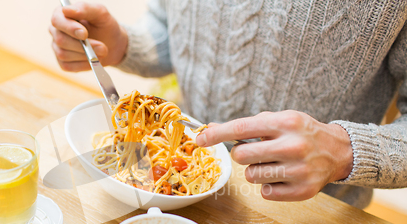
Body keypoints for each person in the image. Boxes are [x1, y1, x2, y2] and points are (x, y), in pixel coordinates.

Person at [49, 1, 407, 208]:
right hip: (177, 188)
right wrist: (124, 44)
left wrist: (345, 151)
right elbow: (173, 27)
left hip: (316, 219)